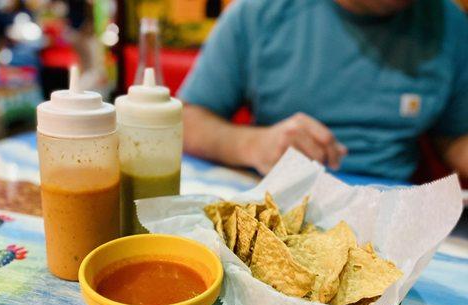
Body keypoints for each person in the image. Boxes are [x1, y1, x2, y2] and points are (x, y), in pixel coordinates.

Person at [179, 0, 468, 181]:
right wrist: (254, 145)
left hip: (393, 210)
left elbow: (454, 136)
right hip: (277, 196)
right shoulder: (259, 12)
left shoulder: (449, 22)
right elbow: (185, 123)